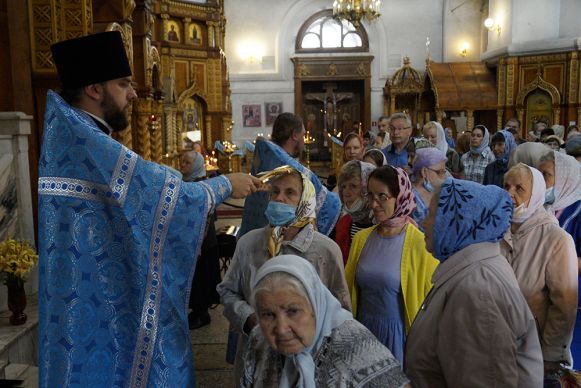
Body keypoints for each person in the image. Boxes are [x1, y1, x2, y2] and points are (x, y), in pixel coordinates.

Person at [40, 31, 261, 387]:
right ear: (95, 89)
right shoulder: (86, 141)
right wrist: (224, 185)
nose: (132, 95)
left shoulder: (71, 134)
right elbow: (158, 196)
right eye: (124, 84)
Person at [405, 178, 543, 387]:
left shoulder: (476, 291)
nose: (424, 223)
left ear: (458, 221)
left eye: (433, 214)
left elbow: (486, 379)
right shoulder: (476, 267)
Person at [217, 166, 351, 382]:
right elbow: (228, 291)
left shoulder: (324, 250)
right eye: (275, 192)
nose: (279, 198)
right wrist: (250, 318)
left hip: (310, 358)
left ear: (304, 201)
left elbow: (341, 309)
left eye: (290, 193)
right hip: (258, 353)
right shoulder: (249, 243)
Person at [240, 255, 411, 388]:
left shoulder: (360, 351)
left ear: (317, 306)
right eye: (268, 315)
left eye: (293, 311)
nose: (282, 329)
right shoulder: (259, 339)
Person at [345, 166, 438, 364]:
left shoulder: (419, 244)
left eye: (382, 196)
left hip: (398, 338)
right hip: (363, 333)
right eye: (370, 196)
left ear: (400, 197)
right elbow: (349, 291)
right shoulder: (362, 239)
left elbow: (430, 304)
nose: (374, 204)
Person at [501, 164, 577, 377]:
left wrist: (551, 354)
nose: (510, 193)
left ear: (536, 194)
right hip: (498, 345)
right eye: (506, 186)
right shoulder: (498, 229)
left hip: (533, 351)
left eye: (519, 188)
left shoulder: (556, 239)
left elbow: (564, 304)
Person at [238, 113, 341, 237]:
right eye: (303, 134)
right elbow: (326, 202)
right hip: (280, 237)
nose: (304, 139)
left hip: (253, 232)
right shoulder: (292, 168)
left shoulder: (267, 155)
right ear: (294, 135)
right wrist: (337, 193)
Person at [332, 160, 375, 264]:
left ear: (368, 188)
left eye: (353, 186)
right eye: (343, 187)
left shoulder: (382, 224)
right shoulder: (343, 224)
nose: (346, 192)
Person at [410, 148, 448, 229]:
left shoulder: (440, 191)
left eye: (444, 172)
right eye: (440, 172)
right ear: (424, 172)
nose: (444, 177)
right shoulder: (411, 197)